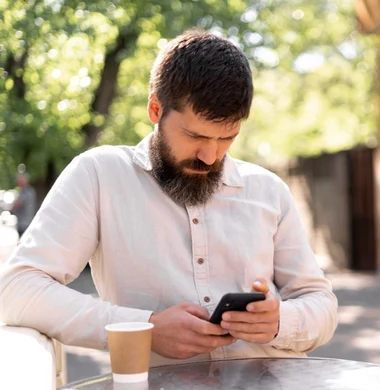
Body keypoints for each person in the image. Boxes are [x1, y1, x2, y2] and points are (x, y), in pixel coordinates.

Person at [0, 29, 338, 366]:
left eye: (227, 138)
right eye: (195, 136)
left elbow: (321, 305)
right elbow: (17, 291)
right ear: (155, 109)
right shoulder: (99, 176)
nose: (210, 155)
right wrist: (144, 327)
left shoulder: (269, 191)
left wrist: (279, 322)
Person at [10, 172, 36, 237]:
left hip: (24, 223)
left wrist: (11, 209)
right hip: (28, 222)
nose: (17, 182)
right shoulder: (31, 190)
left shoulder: (25, 191)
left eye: (18, 180)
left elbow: (18, 204)